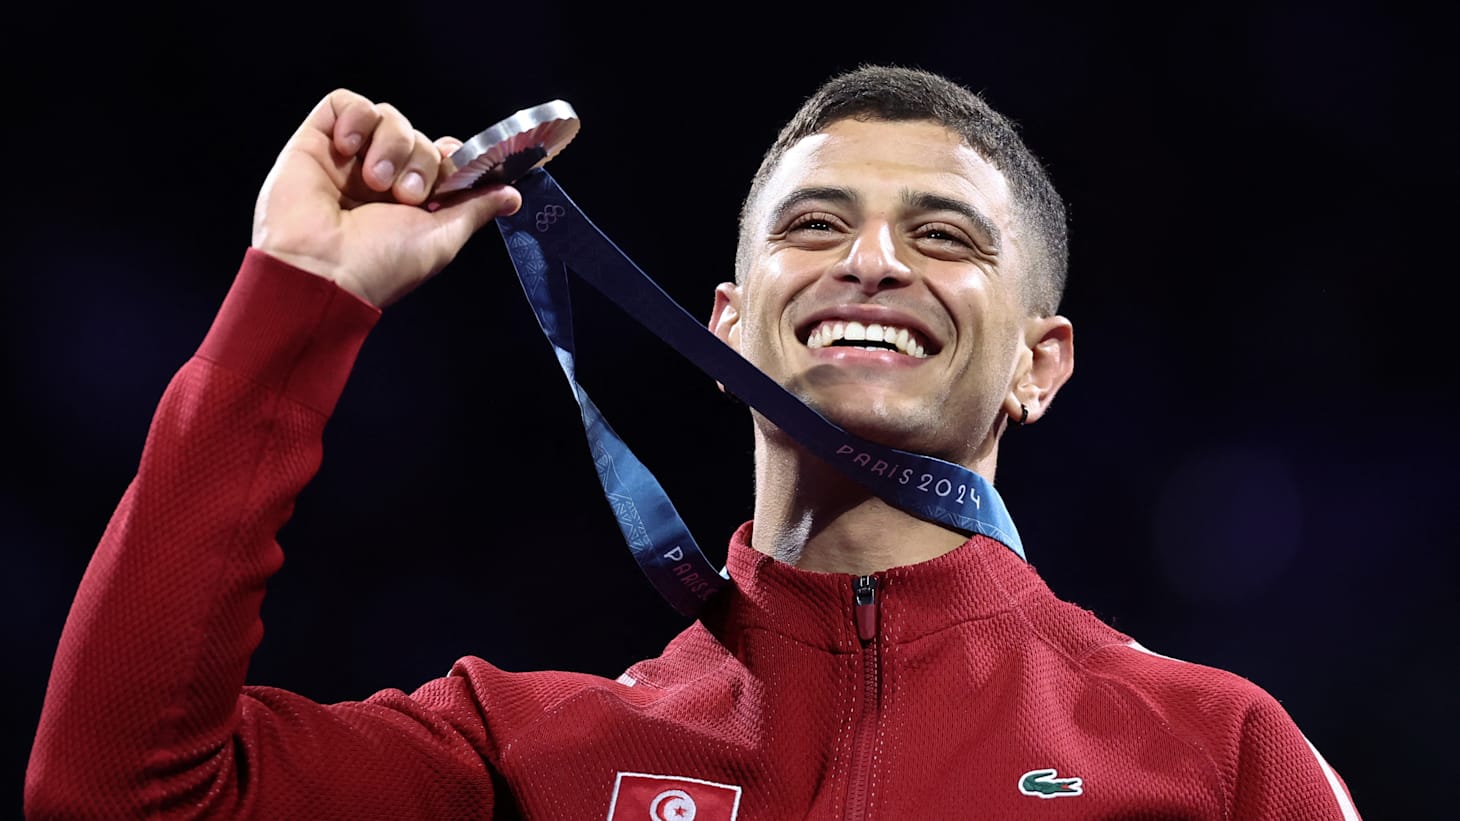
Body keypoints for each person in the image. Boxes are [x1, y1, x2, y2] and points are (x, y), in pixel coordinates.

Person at [24, 65, 1363, 819]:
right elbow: (114, 792)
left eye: (943, 236)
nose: (872, 262)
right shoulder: (530, 754)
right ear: (729, 326)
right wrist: (300, 301)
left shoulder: (1214, 754)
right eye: (814, 226)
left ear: (1038, 363)